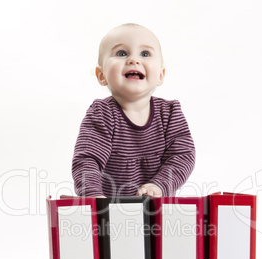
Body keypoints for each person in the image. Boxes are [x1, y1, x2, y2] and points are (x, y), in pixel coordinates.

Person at [72, 23, 195, 198]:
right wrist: (93, 197)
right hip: (110, 212)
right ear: (102, 75)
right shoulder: (101, 114)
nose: (133, 60)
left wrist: (159, 186)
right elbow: (88, 160)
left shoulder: (169, 113)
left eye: (145, 54)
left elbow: (183, 156)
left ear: (160, 75)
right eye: (121, 53)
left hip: (158, 210)